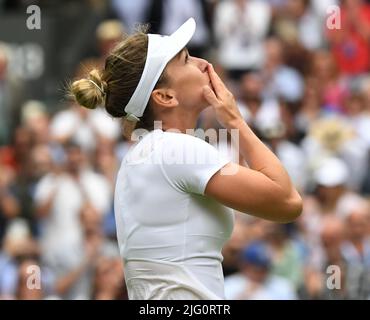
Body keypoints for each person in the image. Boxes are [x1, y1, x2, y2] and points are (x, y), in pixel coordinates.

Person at [70, 18, 302, 300]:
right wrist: (236, 120)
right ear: (165, 96)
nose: (204, 63)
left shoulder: (144, 155)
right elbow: (287, 202)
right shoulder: (177, 150)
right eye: (187, 59)